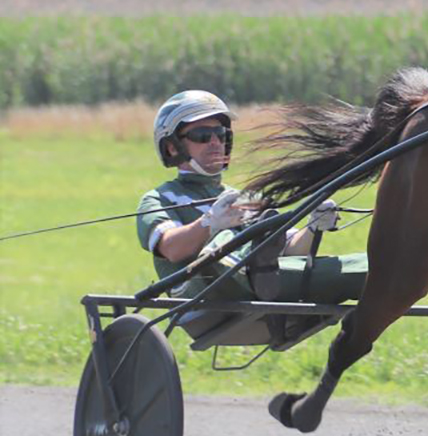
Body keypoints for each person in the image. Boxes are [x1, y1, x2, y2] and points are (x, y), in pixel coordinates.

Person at [136, 90, 367, 304]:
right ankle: (248, 261)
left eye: (220, 134)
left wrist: (313, 227)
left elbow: (292, 251)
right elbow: (173, 250)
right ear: (172, 147)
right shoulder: (158, 199)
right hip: (199, 292)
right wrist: (209, 223)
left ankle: (398, 271)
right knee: (228, 237)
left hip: (264, 281)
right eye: (203, 135)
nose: (216, 142)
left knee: (358, 269)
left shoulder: (246, 198)